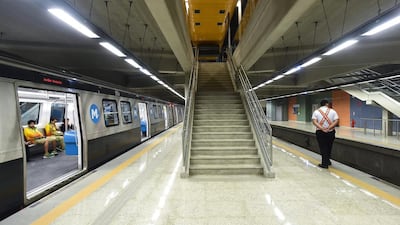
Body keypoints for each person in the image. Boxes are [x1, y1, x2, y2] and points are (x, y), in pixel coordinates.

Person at [312, 99, 339, 169]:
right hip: (331, 132)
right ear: (327, 104)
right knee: (329, 146)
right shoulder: (333, 111)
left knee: (323, 147)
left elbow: (314, 121)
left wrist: (322, 128)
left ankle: (324, 163)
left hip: (320, 132)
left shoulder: (316, 112)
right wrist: (329, 127)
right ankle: (328, 160)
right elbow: (336, 120)